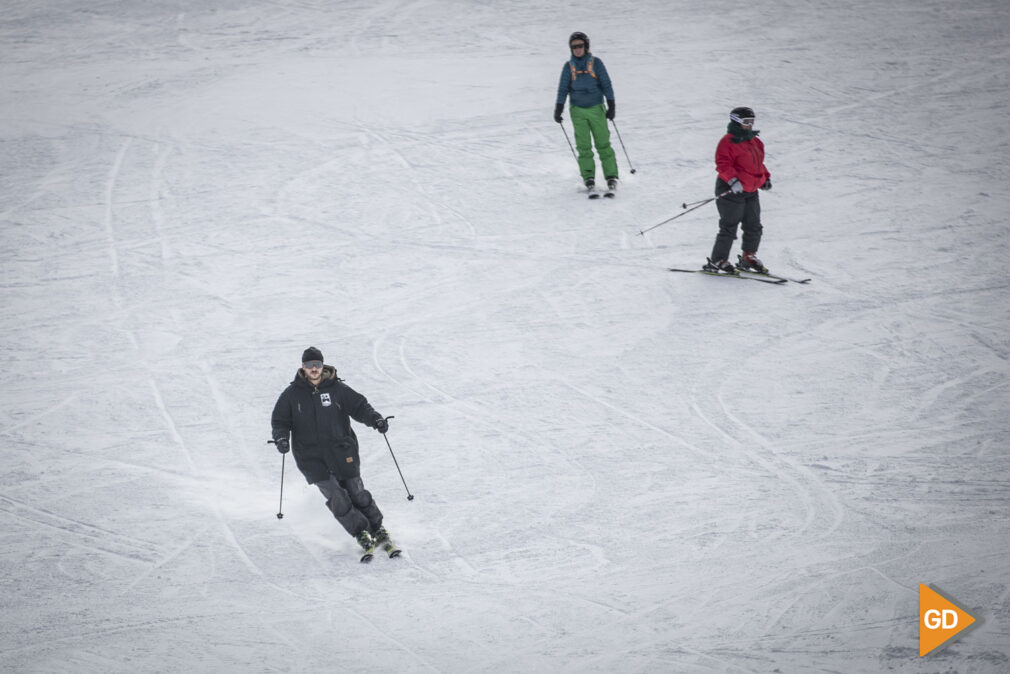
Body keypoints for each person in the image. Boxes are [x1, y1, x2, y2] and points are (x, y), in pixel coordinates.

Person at [271, 346, 392, 554]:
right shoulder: (292, 395)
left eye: (317, 364)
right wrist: (282, 439)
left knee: (356, 491)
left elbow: (360, 407)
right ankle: (360, 531)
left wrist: (376, 420)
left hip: (342, 451)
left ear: (323, 365)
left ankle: (377, 528)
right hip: (311, 458)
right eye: (309, 366)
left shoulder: (337, 390)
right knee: (337, 495)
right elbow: (280, 421)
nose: (314, 369)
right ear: (303, 367)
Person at [703, 106, 773, 273]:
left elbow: (758, 164)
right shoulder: (728, 141)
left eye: (751, 121)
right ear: (736, 121)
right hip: (731, 190)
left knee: (754, 225)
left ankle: (749, 256)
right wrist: (733, 180)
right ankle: (718, 260)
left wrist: (765, 178)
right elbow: (723, 164)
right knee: (729, 226)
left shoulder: (756, 142)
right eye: (746, 122)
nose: (749, 125)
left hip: (750, 190)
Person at [554, 31, 619, 192]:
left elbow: (606, 84)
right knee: (583, 146)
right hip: (577, 111)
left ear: (586, 46)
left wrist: (611, 105)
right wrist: (559, 108)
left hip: (596, 108)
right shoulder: (568, 67)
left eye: (580, 46)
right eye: (574, 46)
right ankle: (588, 177)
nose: (577, 49)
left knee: (603, 143)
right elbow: (563, 89)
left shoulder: (596, 63)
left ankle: (611, 176)